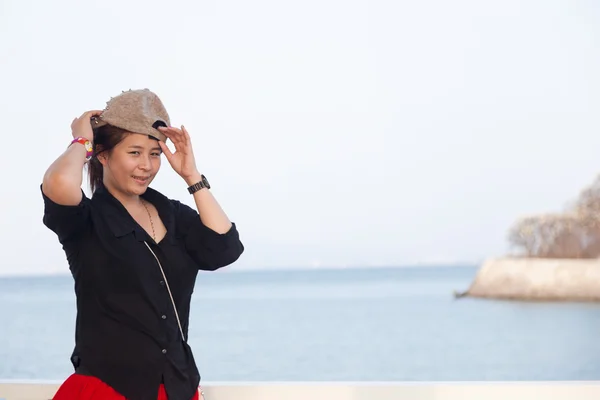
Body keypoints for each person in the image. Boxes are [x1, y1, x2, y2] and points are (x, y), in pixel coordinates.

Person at [41, 89, 244, 400]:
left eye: (154, 154)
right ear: (104, 155)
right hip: (107, 390)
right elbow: (58, 183)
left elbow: (225, 248)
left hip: (176, 387)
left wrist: (191, 175)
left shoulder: (174, 215)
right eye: (134, 152)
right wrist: (82, 141)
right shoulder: (86, 221)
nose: (147, 166)